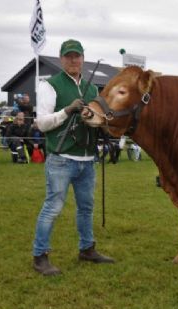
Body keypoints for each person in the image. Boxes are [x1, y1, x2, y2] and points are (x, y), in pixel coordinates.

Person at [32, 39, 114, 276]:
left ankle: (87, 249)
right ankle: (40, 256)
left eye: (77, 56)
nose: (73, 60)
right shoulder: (51, 86)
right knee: (52, 208)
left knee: (86, 208)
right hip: (61, 159)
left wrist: (94, 116)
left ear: (83, 58)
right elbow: (42, 123)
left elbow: (98, 118)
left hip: (87, 159)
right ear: (61, 59)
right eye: (68, 56)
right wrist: (67, 110)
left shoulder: (92, 89)